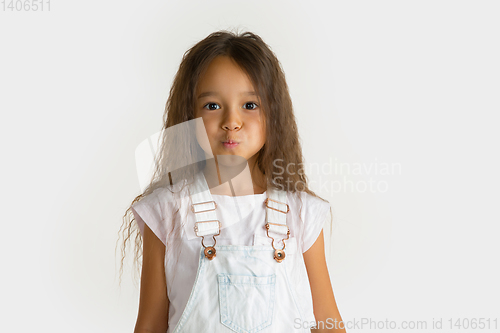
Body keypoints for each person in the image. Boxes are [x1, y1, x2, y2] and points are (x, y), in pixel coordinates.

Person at [118, 29, 346, 333]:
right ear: (189, 117)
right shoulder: (167, 211)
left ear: (274, 115)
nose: (231, 121)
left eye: (250, 105)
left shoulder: (301, 212)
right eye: (212, 106)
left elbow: (328, 322)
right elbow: (150, 324)